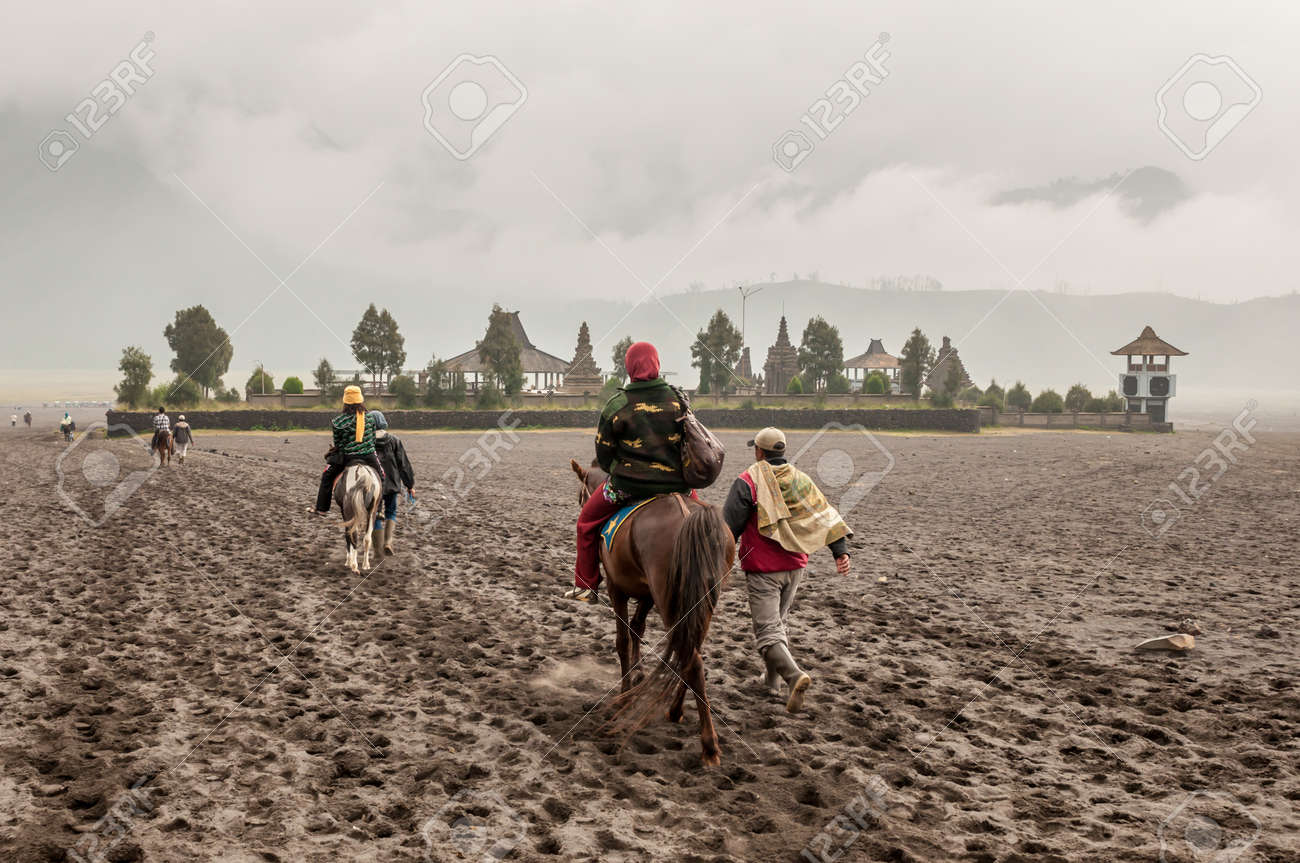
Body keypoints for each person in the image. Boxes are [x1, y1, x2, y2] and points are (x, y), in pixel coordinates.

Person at [722, 427, 853, 713]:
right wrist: (840, 552)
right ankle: (771, 683)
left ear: (759, 451)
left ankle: (794, 677)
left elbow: (729, 527)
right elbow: (825, 514)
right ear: (782, 451)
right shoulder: (801, 480)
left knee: (767, 631)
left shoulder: (748, 480)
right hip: (795, 566)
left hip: (763, 569)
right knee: (779, 623)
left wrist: (720, 564)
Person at [568, 341, 690, 602]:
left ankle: (586, 585)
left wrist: (619, 471)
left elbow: (603, 453)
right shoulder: (678, 399)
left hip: (629, 485)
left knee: (585, 523)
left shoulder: (618, 404)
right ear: (657, 364)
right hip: (677, 485)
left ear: (630, 367)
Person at [309, 385, 385, 516]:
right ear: (360, 400)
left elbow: (338, 444)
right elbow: (372, 440)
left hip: (347, 457)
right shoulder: (370, 418)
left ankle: (321, 508)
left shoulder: (338, 422)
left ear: (345, 401)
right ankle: (378, 510)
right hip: (369, 455)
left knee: (327, 476)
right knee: (381, 476)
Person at [370, 411, 415, 556]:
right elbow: (403, 465)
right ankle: (388, 542)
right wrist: (410, 485)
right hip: (392, 484)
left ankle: (377, 551)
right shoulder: (394, 440)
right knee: (391, 512)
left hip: (373, 486)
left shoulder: (366, 442)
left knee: (374, 515)